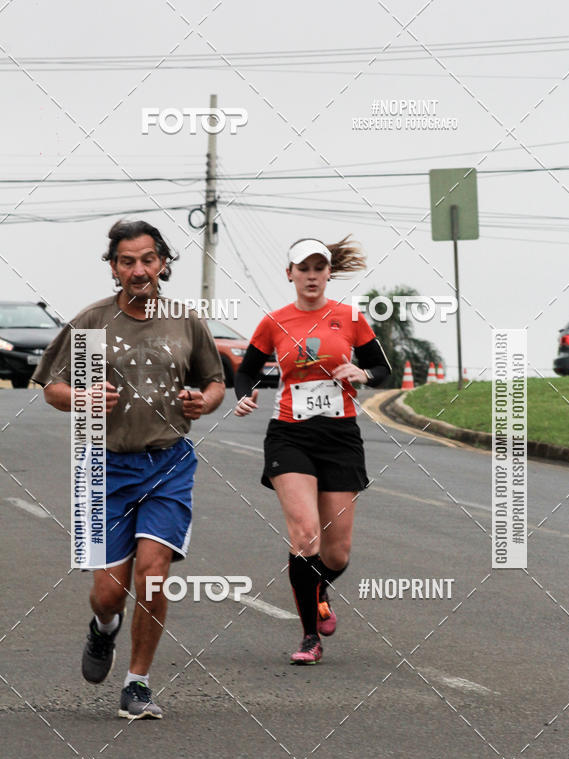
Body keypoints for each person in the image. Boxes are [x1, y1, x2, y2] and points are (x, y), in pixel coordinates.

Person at [32, 220, 225, 719]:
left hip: (168, 464)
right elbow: (51, 386)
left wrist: (201, 401)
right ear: (114, 267)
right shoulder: (92, 323)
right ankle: (104, 628)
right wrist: (84, 397)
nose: (138, 270)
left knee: (153, 575)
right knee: (107, 593)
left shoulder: (184, 320)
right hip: (104, 469)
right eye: (127, 261)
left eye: (147, 259)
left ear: (163, 262)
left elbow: (214, 381)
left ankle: (137, 683)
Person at [234, 236, 390, 664]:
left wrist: (362, 372)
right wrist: (245, 396)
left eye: (319, 268)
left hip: (340, 437)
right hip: (290, 435)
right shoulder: (274, 321)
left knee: (336, 552)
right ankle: (308, 638)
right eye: (303, 269)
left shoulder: (349, 317)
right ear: (290, 274)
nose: (311, 276)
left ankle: (319, 590)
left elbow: (382, 367)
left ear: (327, 274)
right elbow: (246, 371)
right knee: (306, 536)